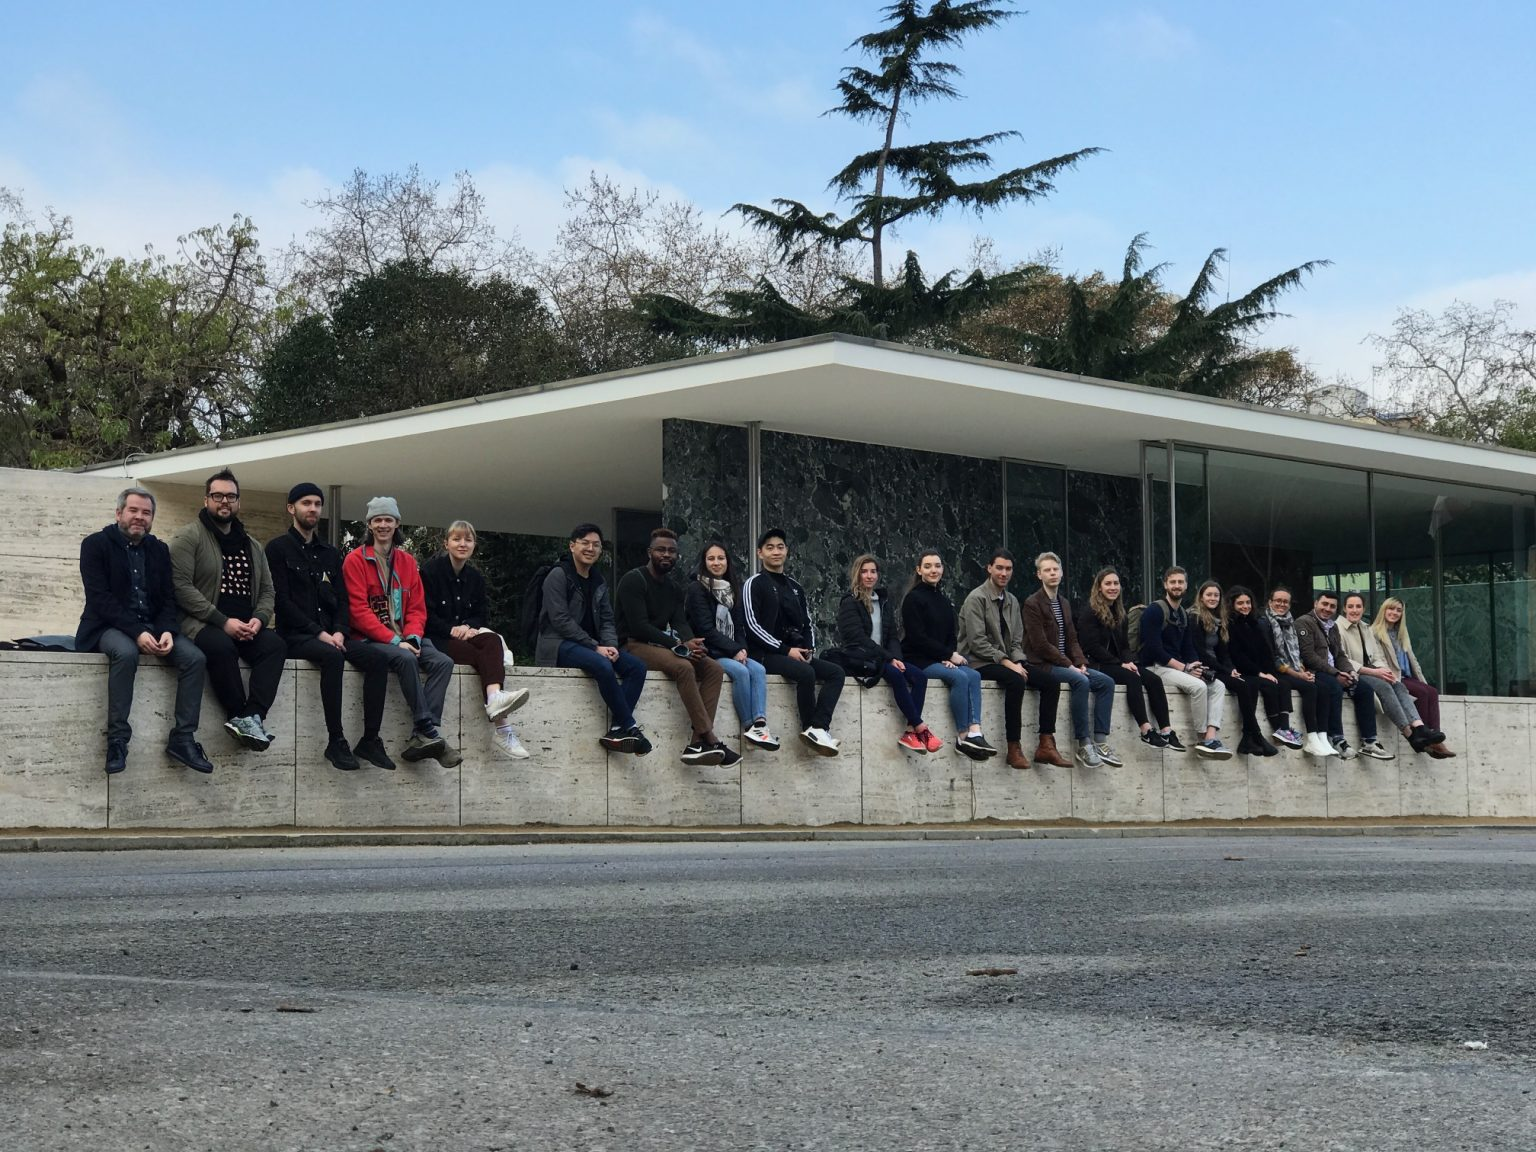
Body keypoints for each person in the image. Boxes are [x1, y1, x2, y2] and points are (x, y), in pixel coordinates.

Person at [77, 486, 214, 776]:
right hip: (107, 626)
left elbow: (167, 598)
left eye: (146, 512)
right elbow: (101, 599)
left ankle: (183, 738)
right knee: (126, 654)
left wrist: (166, 630)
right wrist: (138, 632)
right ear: (119, 513)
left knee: (195, 658)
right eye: (134, 510)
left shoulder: (159, 549)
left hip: (153, 627)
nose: (140, 517)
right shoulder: (95, 545)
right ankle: (117, 740)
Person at [170, 469, 286, 752]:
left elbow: (268, 591)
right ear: (206, 499)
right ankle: (237, 713)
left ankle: (252, 716)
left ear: (238, 502)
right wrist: (223, 622)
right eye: (218, 496)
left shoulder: (252, 545)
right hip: (202, 623)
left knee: (275, 645)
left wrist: (259, 620)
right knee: (221, 647)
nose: (225, 501)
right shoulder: (189, 537)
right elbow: (181, 587)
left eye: (231, 496)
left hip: (247, 625)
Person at [341, 497, 460, 767]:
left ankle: (421, 733)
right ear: (369, 525)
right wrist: (396, 641)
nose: (383, 525)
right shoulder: (355, 560)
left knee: (443, 662)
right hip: (372, 638)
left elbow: (417, 608)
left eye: (388, 520)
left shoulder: (407, 562)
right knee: (405, 658)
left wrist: (413, 637)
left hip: (407, 637)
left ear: (397, 524)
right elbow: (358, 611)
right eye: (377, 520)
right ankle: (427, 729)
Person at [265, 482, 368, 771]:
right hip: (296, 636)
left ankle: (371, 740)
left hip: (332, 634)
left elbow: (344, 601)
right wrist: (320, 633)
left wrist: (338, 631)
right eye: (306, 503)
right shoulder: (277, 549)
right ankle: (336, 741)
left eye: (317, 504)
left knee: (378, 658)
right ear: (291, 508)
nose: (312, 509)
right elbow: (281, 601)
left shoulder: (331, 554)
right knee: (333, 656)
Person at [615, 527, 739, 767]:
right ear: (649, 552)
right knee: (684, 667)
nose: (666, 555)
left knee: (713, 668)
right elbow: (638, 626)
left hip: (662, 647)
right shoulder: (634, 579)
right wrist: (679, 645)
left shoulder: (673, 588)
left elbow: (680, 623)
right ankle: (710, 737)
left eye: (672, 551)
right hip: (632, 645)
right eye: (661, 550)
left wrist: (692, 644)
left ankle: (696, 744)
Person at [535, 523, 651, 755]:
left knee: (636, 667)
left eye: (596, 545)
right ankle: (629, 725)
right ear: (572, 546)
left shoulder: (598, 580)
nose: (590, 548)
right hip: (557, 644)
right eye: (585, 543)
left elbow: (608, 619)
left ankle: (618, 727)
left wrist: (609, 645)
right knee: (601, 664)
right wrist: (595, 647)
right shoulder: (558, 575)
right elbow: (560, 620)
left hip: (593, 646)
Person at [422, 521, 533, 761]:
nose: (462, 544)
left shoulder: (475, 577)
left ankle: (494, 698)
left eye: (468, 540)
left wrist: (468, 627)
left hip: (467, 634)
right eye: (457, 539)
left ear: (474, 545)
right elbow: (425, 615)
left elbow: (481, 614)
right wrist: (453, 629)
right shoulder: (431, 571)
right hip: (438, 638)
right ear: (446, 543)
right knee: (481, 657)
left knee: (492, 641)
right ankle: (503, 729)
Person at [958, 549, 1067, 770]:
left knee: (1050, 682)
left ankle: (1046, 744)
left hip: (1006, 659)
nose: (1004, 573)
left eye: (1008, 569)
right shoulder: (976, 598)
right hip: (978, 661)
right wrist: (1007, 662)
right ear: (989, 568)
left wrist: (1017, 661)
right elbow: (977, 642)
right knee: (1015, 680)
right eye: (999, 568)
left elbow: (1016, 642)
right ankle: (1013, 747)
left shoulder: (1012, 601)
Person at [743, 527, 844, 756]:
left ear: (787, 551)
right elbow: (752, 625)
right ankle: (809, 727)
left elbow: (807, 623)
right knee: (806, 673)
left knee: (836, 673)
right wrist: (786, 650)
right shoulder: (754, 583)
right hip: (764, 654)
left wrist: (808, 649)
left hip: (795, 652)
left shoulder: (795, 587)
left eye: (780, 547)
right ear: (760, 553)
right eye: (770, 548)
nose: (776, 552)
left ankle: (819, 728)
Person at [1021, 552, 1119, 768]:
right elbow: (1040, 645)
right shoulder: (1032, 603)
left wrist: (1080, 663)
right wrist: (1069, 666)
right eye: (1047, 570)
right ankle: (1084, 744)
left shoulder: (1063, 602)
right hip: (1043, 664)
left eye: (1055, 569)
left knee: (1106, 683)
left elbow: (1073, 639)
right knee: (1080, 681)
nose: (1052, 573)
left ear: (1062, 572)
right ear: (1039, 575)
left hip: (1066, 663)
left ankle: (1100, 742)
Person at [837, 554, 941, 755]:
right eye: (864, 571)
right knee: (896, 676)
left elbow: (892, 635)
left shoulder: (883, 602)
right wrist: (888, 658)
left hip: (886, 657)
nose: (869, 576)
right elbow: (857, 638)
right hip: (863, 658)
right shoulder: (850, 602)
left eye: (873, 571)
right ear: (857, 574)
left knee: (919, 676)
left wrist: (897, 658)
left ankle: (910, 732)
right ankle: (922, 729)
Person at [900, 550, 995, 761]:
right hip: (918, 658)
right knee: (959, 677)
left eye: (937, 566)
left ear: (942, 569)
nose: (933, 570)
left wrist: (949, 654)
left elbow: (951, 635)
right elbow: (917, 638)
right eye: (928, 566)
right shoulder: (913, 599)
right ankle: (962, 737)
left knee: (974, 675)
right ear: (919, 570)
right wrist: (946, 655)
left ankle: (975, 732)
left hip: (940, 658)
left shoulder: (943, 600)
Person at [685, 542, 778, 751]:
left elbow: (739, 626)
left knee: (758, 669)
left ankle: (760, 724)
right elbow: (706, 630)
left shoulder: (731, 588)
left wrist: (742, 649)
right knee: (740, 672)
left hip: (732, 649)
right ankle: (749, 726)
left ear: (727, 561)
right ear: (704, 562)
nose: (716, 563)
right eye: (711, 559)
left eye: (721, 558)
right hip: (709, 651)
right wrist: (734, 650)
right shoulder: (697, 588)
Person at [1075, 566, 1174, 752]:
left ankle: (1166, 730)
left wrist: (1129, 662)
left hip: (1116, 662)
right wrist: (1121, 663)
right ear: (1099, 588)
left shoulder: (1120, 613)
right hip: (1096, 664)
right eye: (1108, 584)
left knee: (1153, 679)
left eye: (1116, 583)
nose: (1113, 587)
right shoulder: (1090, 612)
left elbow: (1125, 646)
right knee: (1132, 678)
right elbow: (1091, 647)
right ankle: (1145, 730)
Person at [1137, 566, 1231, 759]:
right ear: (1165, 584)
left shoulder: (1183, 614)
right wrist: (1184, 667)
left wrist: (1196, 666)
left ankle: (1212, 737)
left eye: (1180, 582)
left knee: (1218, 685)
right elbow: (1153, 648)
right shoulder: (1154, 611)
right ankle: (1202, 739)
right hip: (1156, 667)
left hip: (1177, 668)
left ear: (1186, 585)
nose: (1177, 586)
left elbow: (1188, 648)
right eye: (1173, 582)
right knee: (1199, 687)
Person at [1340, 592, 1448, 757]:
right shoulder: (1341, 628)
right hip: (1355, 673)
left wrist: (1385, 671)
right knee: (1387, 686)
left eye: (1358, 606)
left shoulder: (1365, 628)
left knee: (1403, 686)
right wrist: (1379, 672)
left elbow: (1376, 656)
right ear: (1344, 609)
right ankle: (1410, 734)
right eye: (1351, 606)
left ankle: (1421, 729)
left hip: (1376, 671)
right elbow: (1343, 659)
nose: (1355, 610)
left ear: (1363, 609)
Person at [1191, 580, 1277, 757]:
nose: (1213, 598)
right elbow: (1200, 652)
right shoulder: (1195, 617)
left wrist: (1230, 668)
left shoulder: (1220, 620)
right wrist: (1225, 669)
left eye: (1216, 595)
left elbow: (1223, 651)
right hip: (1203, 668)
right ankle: (1257, 736)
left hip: (1219, 667)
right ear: (1201, 597)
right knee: (1244, 685)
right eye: (1209, 595)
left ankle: (1247, 739)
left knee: (1246, 683)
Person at [1224, 584, 1307, 752]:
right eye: (1240, 603)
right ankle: (1261, 732)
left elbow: (1265, 652)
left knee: (1282, 683)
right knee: (1263, 685)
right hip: (1244, 671)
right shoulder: (1230, 624)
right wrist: (1260, 673)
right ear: (1232, 605)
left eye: (1248, 602)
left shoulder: (1254, 623)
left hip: (1258, 671)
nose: (1245, 606)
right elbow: (1237, 655)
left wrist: (1268, 671)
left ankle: (1283, 728)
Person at [1295, 588, 1375, 760]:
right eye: (1324, 604)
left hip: (1334, 671)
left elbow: (1339, 655)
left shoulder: (1333, 627)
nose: (1328, 608)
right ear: (1315, 604)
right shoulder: (1304, 622)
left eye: (1332, 606)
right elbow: (1308, 656)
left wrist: (1350, 672)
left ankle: (1370, 741)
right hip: (1315, 671)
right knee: (1333, 687)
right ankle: (1336, 738)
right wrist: (1336, 673)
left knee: (1364, 689)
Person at [1372, 597, 1455, 759]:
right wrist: (1390, 675)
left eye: (1398, 610)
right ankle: (1426, 737)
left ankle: (1433, 736)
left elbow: (1413, 661)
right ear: (1384, 610)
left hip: (1407, 676)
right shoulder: (1374, 632)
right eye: (1391, 609)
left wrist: (1422, 680)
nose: (1394, 613)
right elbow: (1378, 658)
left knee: (1431, 691)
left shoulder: (1402, 633)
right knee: (1422, 693)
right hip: (1394, 677)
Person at [1260, 585, 1332, 758]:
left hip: (1291, 669)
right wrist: (1298, 674)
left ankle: (1322, 736)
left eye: (1285, 601)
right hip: (1273, 669)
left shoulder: (1289, 622)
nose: (1282, 604)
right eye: (1278, 601)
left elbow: (1295, 652)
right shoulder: (1265, 622)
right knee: (1310, 687)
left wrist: (1301, 668)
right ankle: (1312, 737)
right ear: (1270, 602)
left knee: (1323, 686)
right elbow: (1274, 658)